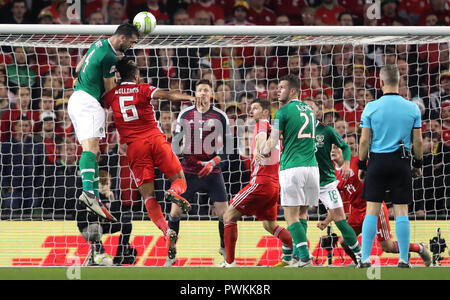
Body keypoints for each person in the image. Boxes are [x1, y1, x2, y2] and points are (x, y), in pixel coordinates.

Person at [104, 58, 195, 266]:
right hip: (155, 139)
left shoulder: (111, 95)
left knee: (147, 196)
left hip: (134, 148)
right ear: (136, 76)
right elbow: (167, 95)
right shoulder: (142, 88)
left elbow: (100, 100)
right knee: (179, 179)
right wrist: (190, 97)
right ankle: (175, 192)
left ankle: (166, 230)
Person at [68, 23, 139, 222]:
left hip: (76, 99)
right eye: (132, 42)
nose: (131, 46)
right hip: (89, 103)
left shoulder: (98, 44)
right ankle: (88, 193)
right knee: (90, 150)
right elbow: (109, 91)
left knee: (95, 153)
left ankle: (95, 198)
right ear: (123, 38)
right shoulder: (109, 56)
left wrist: (77, 78)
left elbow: (78, 67)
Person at [357, 64, 424, 268]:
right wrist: (418, 163)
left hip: (377, 162)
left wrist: (361, 164)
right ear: (399, 81)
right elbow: (419, 142)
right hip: (401, 161)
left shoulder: (371, 107)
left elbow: (364, 141)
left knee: (372, 210)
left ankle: (365, 258)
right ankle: (404, 259)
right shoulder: (412, 107)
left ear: (381, 82)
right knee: (402, 211)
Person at [327, 144, 432, 267]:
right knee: (345, 242)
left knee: (388, 247)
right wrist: (328, 219)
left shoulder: (357, 162)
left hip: (373, 206)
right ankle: (359, 263)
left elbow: (377, 173)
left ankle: (419, 248)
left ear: (343, 150)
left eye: (336, 148)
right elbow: (336, 201)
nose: (333, 151)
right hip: (356, 211)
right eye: (331, 148)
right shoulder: (332, 173)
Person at [222, 98, 293, 267]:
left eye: (255, 108)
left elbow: (261, 138)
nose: (251, 111)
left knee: (228, 215)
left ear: (265, 112)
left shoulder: (262, 124)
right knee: (269, 225)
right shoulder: (276, 132)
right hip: (274, 186)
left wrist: (257, 149)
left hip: (260, 183)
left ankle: (229, 262)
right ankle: (300, 251)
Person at [259, 74, 320, 267]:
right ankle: (296, 255)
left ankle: (304, 256)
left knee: (290, 215)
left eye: (283, 87)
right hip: (312, 168)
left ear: (292, 91)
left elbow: (273, 141)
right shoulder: (309, 110)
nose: (278, 90)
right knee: (302, 214)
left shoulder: (283, 112)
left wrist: (261, 151)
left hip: (292, 167)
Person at [171, 79, 232, 266]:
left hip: (213, 172)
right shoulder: (185, 114)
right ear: (195, 94)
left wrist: (213, 162)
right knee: (175, 212)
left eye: (206, 90)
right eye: (200, 90)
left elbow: (228, 147)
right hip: (189, 172)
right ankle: (170, 253)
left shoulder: (220, 116)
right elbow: (175, 145)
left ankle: (224, 249)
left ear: (211, 94)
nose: (203, 93)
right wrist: (181, 148)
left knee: (226, 214)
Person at [304, 100, 363, 262]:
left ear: (317, 112)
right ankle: (299, 255)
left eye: (310, 107)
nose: (305, 110)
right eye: (303, 107)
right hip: (305, 182)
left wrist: (346, 164)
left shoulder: (327, 131)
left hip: (325, 183)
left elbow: (344, 147)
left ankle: (360, 257)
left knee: (341, 221)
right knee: (297, 216)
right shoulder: (293, 130)